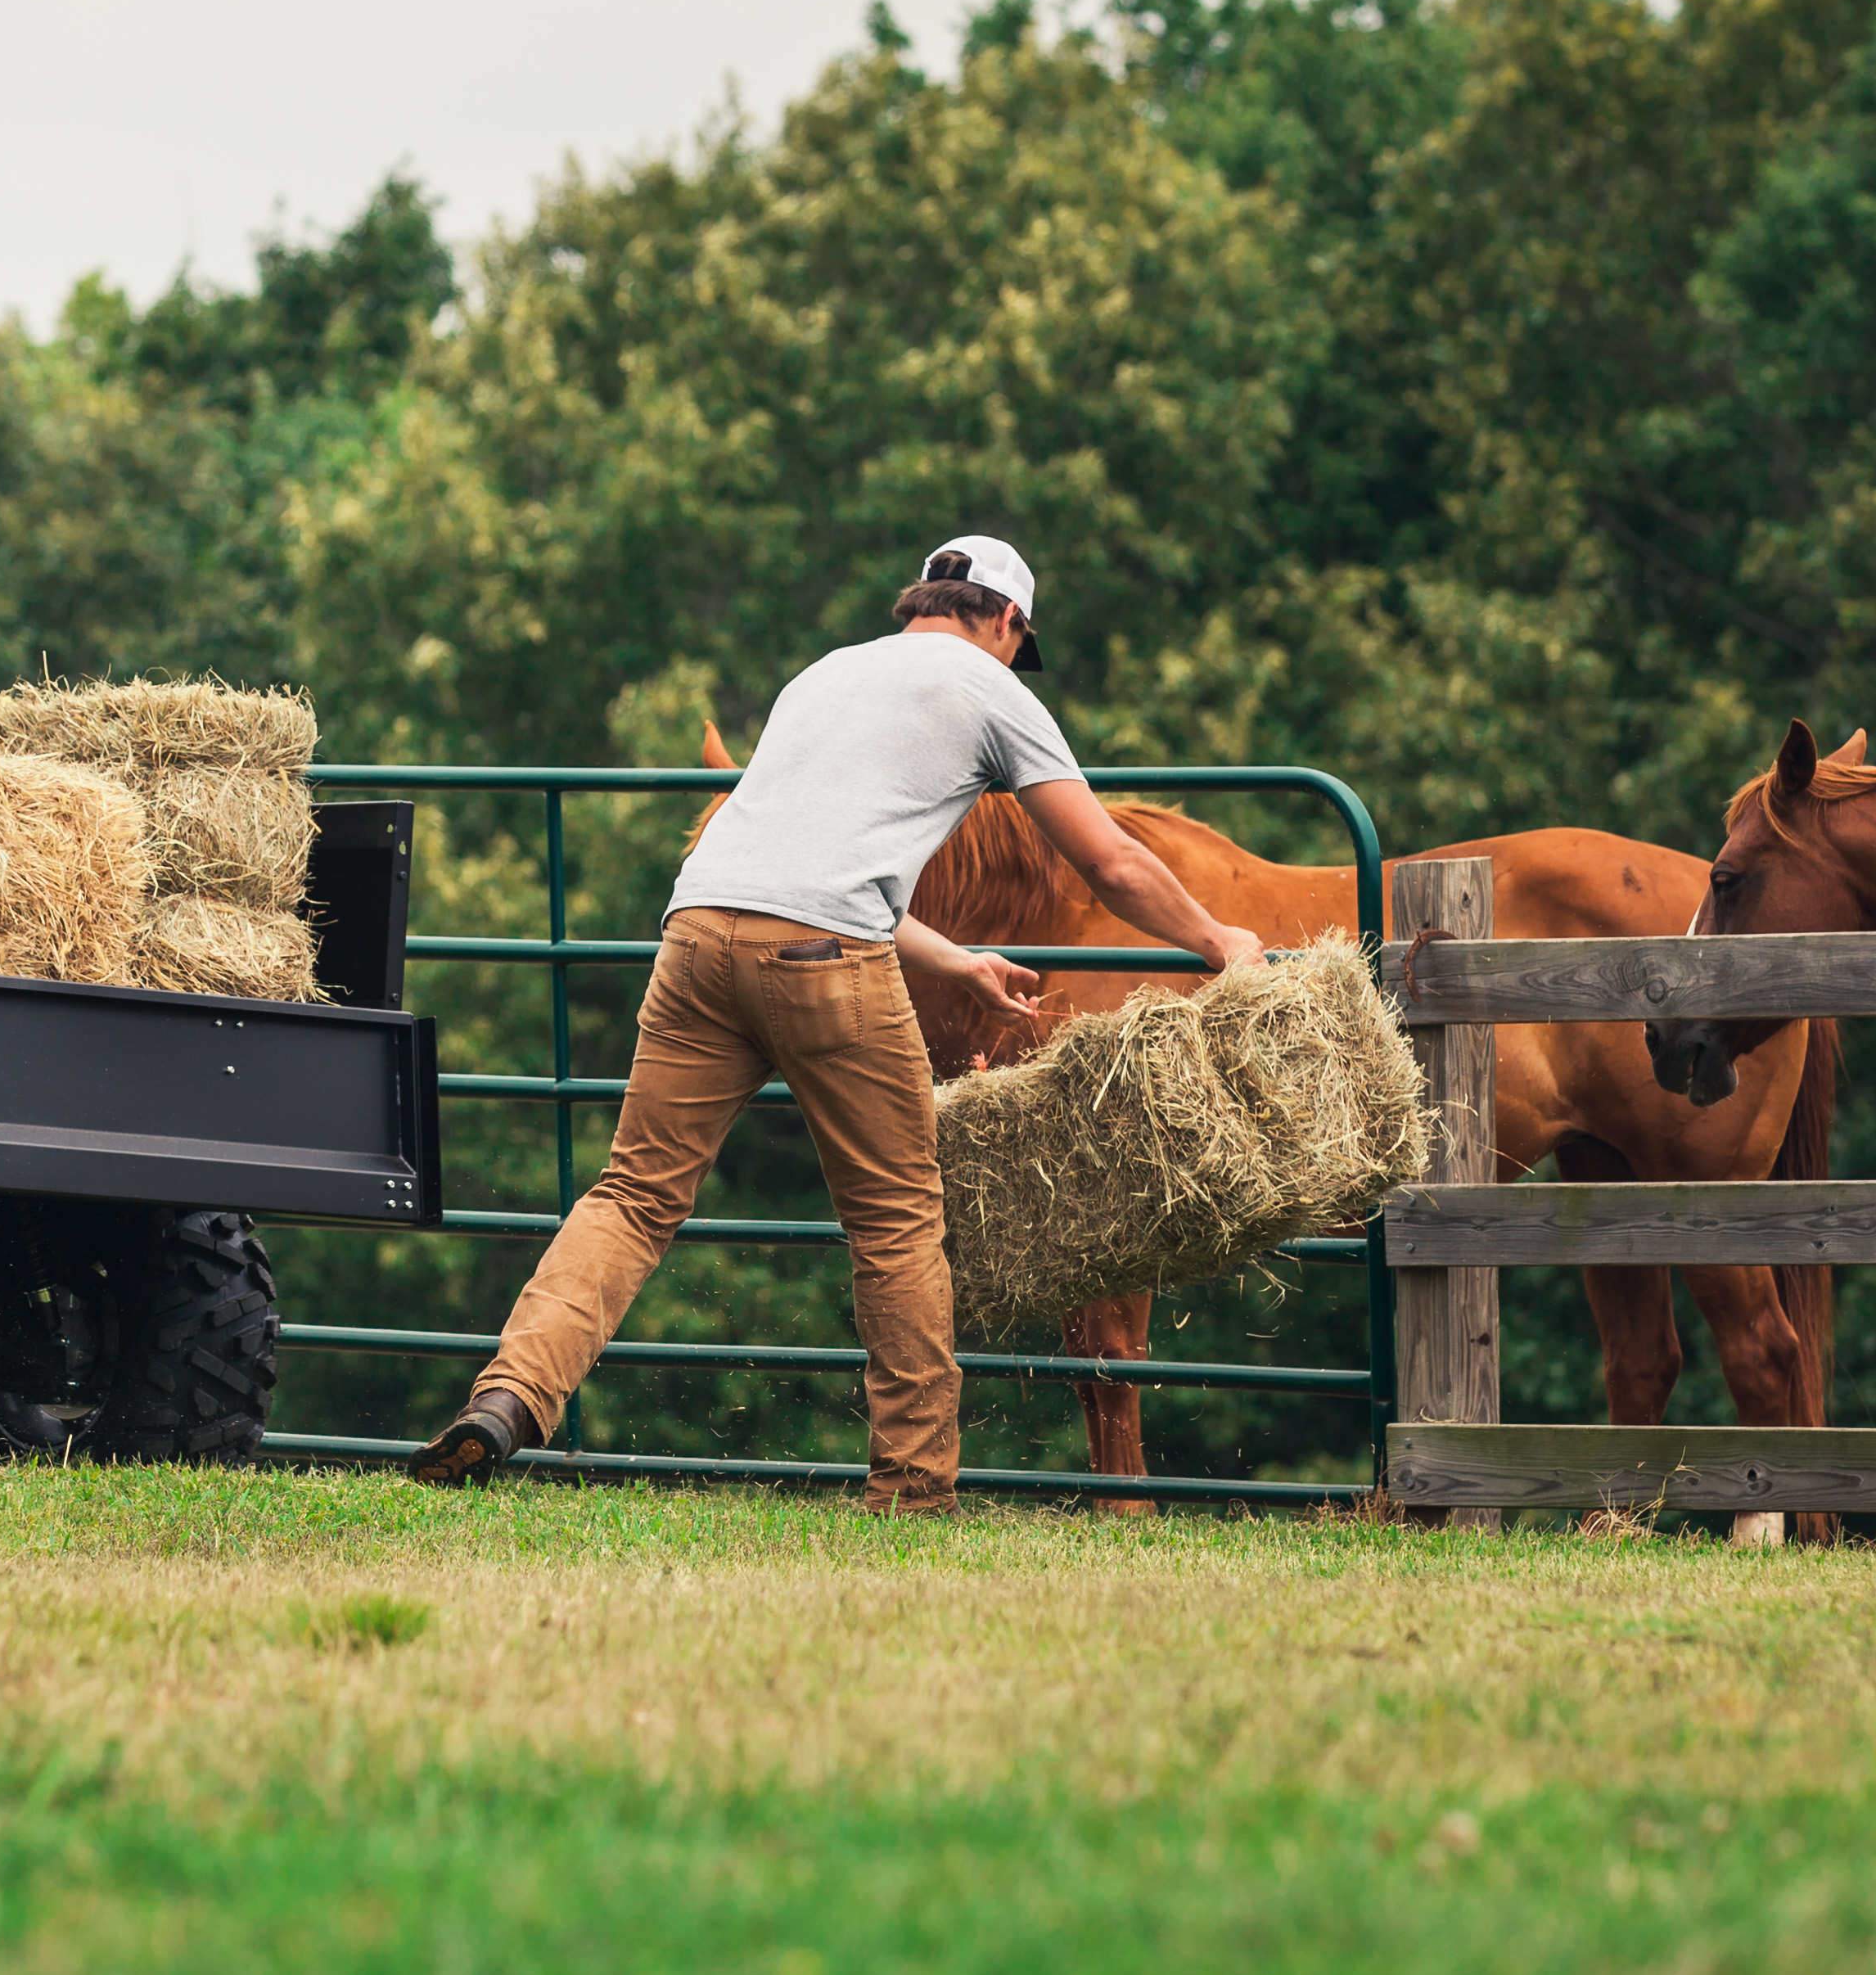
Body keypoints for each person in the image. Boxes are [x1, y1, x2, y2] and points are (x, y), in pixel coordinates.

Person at [409, 534, 1265, 1509]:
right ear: (1007, 621)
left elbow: (803, 863)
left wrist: (954, 959)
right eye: (1017, 644)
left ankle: (510, 1397)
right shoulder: (994, 693)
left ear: (925, 600)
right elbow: (1109, 864)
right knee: (899, 1222)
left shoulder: (820, 678)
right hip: (825, 964)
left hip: (694, 936)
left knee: (633, 1196)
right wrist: (1218, 939)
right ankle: (912, 1490)